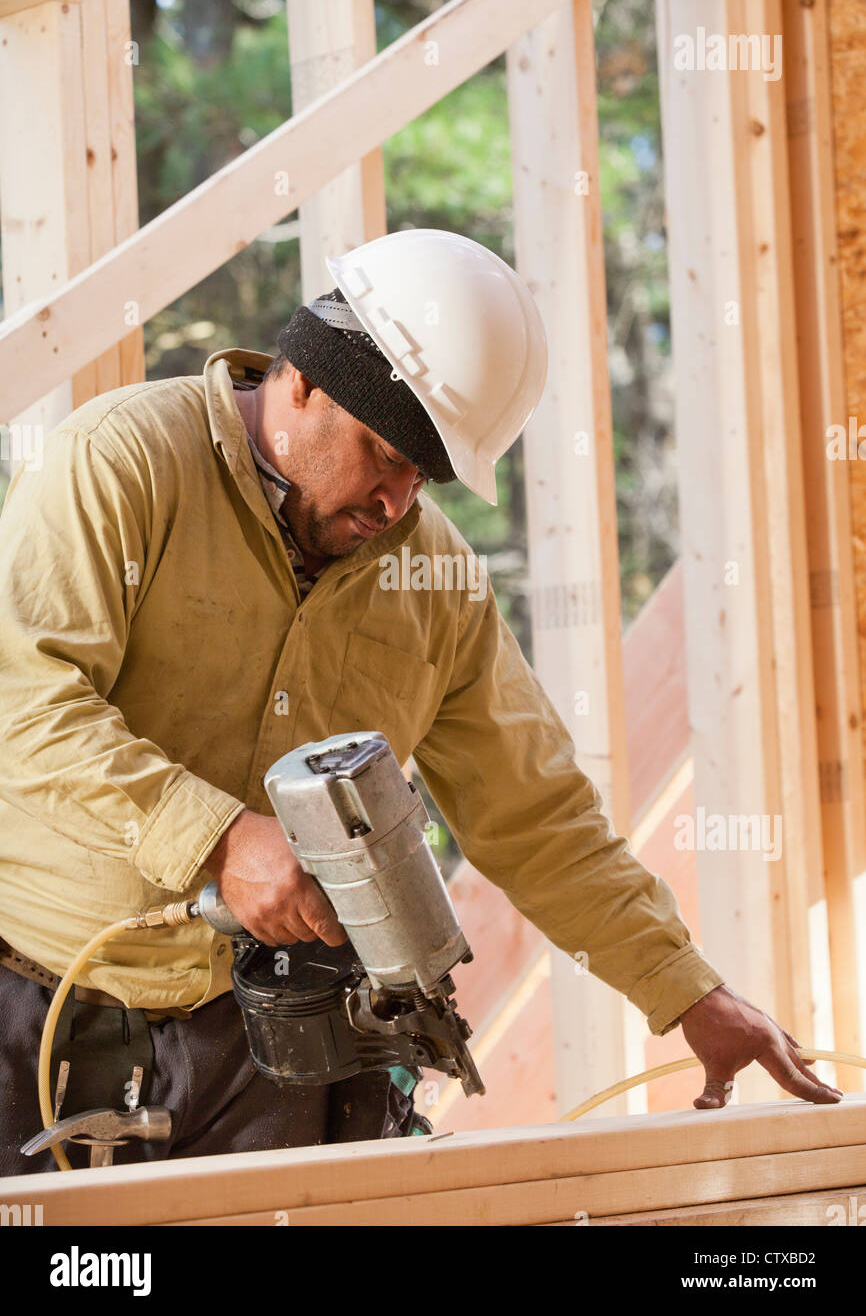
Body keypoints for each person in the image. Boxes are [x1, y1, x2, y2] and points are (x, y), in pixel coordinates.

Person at [0, 229, 841, 1175]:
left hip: (270, 1047)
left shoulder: (435, 582)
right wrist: (223, 838)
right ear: (304, 382)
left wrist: (689, 992)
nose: (397, 502)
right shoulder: (120, 466)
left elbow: (537, 819)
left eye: (421, 476)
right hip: (39, 1018)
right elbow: (25, 702)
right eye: (383, 455)